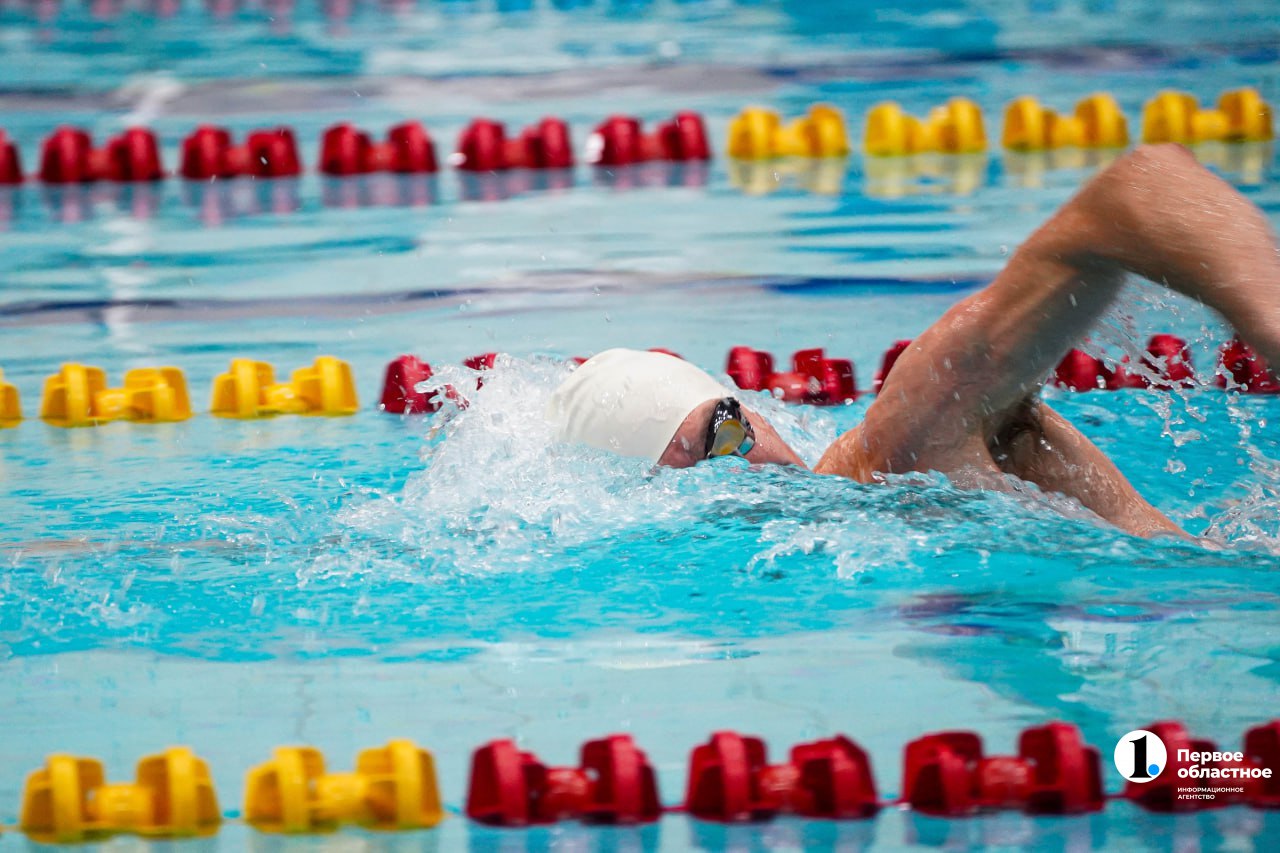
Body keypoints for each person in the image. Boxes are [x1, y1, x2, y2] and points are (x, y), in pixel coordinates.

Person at [546, 144, 1280, 539]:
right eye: (690, 475)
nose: (741, 473)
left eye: (726, 427)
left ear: (755, 410)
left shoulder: (895, 451)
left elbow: (1140, 187)